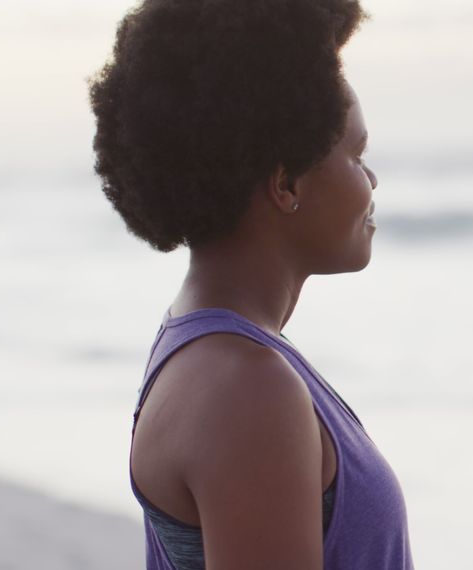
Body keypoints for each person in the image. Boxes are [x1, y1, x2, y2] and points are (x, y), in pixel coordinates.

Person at [87, 0, 413, 568]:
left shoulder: (211, 350)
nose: (371, 179)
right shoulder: (247, 389)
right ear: (286, 182)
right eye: (356, 155)